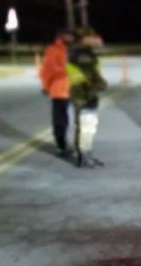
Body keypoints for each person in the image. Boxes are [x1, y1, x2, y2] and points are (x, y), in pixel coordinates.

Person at [67, 27, 107, 168]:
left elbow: (93, 73)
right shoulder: (80, 54)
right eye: (91, 36)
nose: (95, 39)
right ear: (84, 38)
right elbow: (77, 74)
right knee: (86, 126)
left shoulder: (86, 53)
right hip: (83, 94)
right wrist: (91, 85)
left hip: (88, 93)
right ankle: (84, 157)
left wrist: (99, 83)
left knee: (88, 126)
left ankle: (86, 155)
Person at [39, 29, 73, 157]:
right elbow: (50, 70)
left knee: (65, 117)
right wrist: (46, 86)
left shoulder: (66, 50)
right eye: (68, 36)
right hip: (59, 89)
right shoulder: (53, 50)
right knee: (60, 119)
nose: (70, 38)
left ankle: (63, 141)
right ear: (60, 36)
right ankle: (61, 144)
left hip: (68, 89)